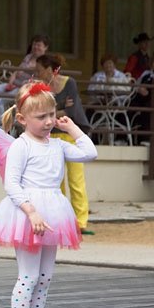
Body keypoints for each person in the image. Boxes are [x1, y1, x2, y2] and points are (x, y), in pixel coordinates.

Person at [0, 81, 97, 308]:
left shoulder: (58, 145)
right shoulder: (22, 146)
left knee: (45, 276)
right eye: (41, 117)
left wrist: (71, 128)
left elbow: (90, 153)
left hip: (54, 211)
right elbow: (12, 184)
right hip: (27, 214)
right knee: (28, 276)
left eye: (51, 115)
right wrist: (31, 212)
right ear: (22, 119)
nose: (49, 121)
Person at [36, 54, 93, 234]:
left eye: (40, 70)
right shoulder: (42, 88)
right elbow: (44, 110)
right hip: (52, 136)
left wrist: (56, 110)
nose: (38, 73)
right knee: (56, 181)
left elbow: (70, 110)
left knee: (76, 179)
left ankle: (81, 221)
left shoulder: (69, 83)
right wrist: (59, 108)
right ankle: (59, 219)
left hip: (69, 135)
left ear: (49, 69)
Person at [0, 35, 49, 123]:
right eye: (34, 44)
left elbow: (40, 77)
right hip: (14, 85)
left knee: (1, 98)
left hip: (23, 89)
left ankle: (0, 123)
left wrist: (28, 71)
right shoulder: (28, 57)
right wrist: (10, 82)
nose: (36, 47)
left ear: (45, 47)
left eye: (39, 45)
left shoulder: (44, 62)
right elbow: (17, 71)